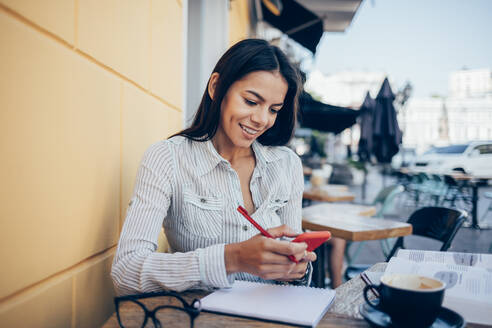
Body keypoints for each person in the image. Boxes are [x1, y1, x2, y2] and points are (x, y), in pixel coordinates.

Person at [111, 39, 317, 295]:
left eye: (274, 109)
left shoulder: (287, 165)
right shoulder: (168, 158)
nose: (262, 119)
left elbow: (291, 262)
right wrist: (233, 258)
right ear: (216, 87)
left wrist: (297, 270)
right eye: (251, 102)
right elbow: (126, 270)